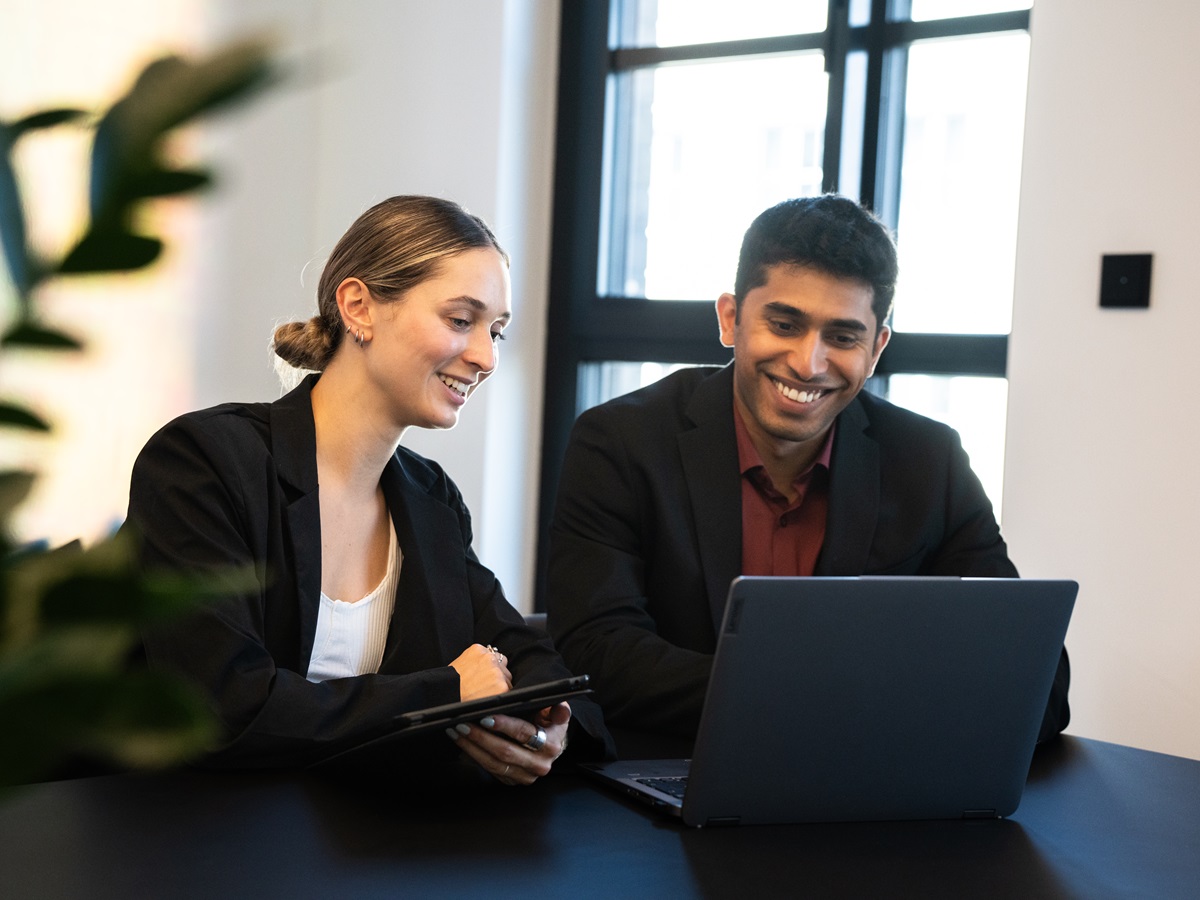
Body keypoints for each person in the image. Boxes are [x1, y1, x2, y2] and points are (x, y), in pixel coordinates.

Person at [546, 194, 1069, 748]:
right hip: (672, 780)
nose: (808, 362)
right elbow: (597, 656)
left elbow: (1038, 682)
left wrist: (822, 701)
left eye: (842, 338)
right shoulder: (621, 442)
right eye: (784, 323)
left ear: (876, 348)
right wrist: (842, 698)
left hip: (868, 791)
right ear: (731, 318)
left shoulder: (928, 461)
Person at [128, 195, 611, 777]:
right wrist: (447, 692)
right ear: (358, 307)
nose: (485, 357)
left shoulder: (432, 499)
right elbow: (220, 706)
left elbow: (533, 660)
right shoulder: (204, 462)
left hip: (368, 845)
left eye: (498, 332)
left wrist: (548, 722)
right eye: (461, 320)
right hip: (195, 842)